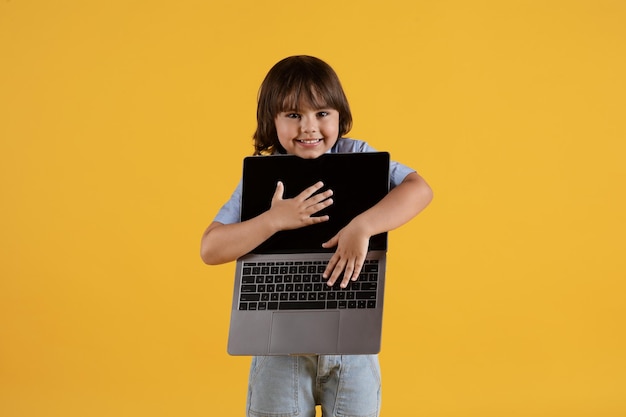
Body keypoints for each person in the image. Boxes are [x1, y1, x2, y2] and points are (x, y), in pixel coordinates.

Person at [201, 55, 433, 417]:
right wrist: (274, 220)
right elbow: (211, 248)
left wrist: (363, 226)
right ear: (271, 121)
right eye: (294, 115)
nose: (309, 127)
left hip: (350, 340)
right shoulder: (262, 175)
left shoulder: (357, 155)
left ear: (340, 116)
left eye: (322, 113)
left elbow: (420, 190)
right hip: (280, 346)